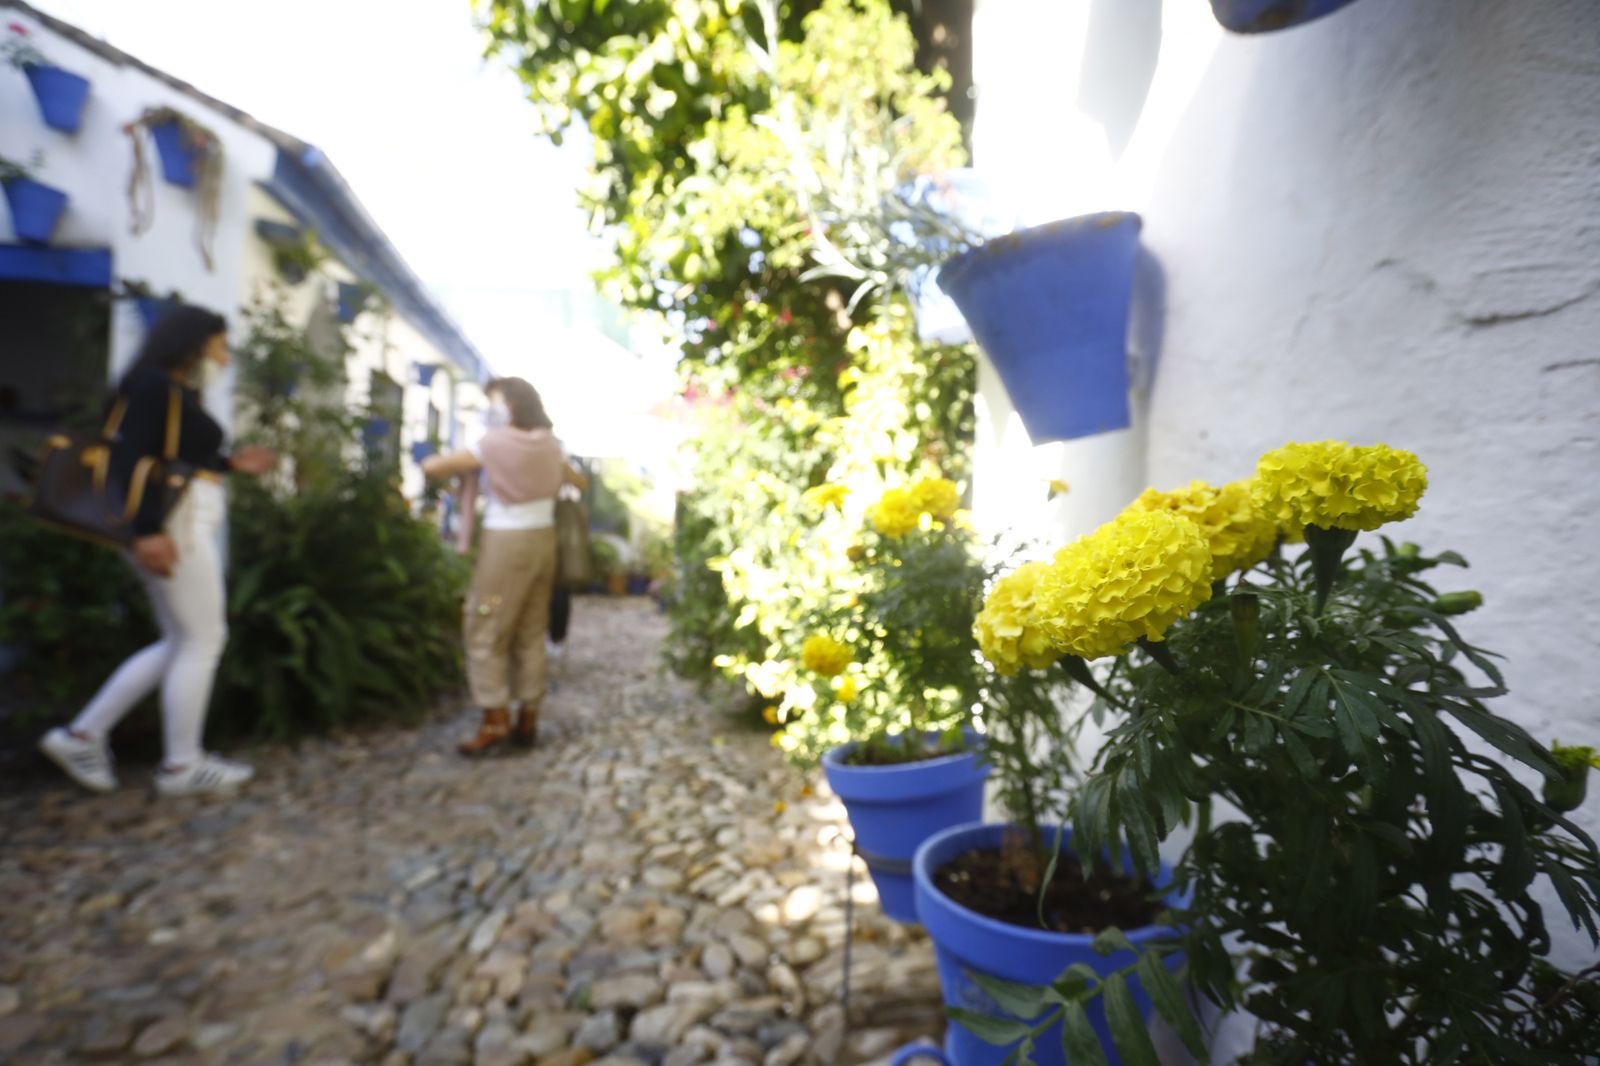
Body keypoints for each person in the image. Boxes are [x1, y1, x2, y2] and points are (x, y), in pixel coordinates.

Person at [39, 305, 277, 796]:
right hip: (173, 526)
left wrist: (230, 464)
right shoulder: (154, 387)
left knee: (181, 639)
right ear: (193, 343)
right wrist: (147, 530)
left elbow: (173, 456)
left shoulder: (170, 390)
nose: (225, 356)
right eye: (220, 345)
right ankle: (181, 765)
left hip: (177, 522)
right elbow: (133, 458)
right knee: (204, 639)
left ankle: (83, 736)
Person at [423, 377, 587, 755]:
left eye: (494, 402)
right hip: (543, 542)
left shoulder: (493, 444)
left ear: (511, 404)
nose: (490, 410)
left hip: (506, 545)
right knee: (531, 628)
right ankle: (528, 716)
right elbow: (579, 481)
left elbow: (434, 467)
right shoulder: (550, 444)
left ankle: (494, 718)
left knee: (484, 621)